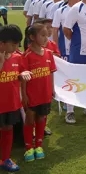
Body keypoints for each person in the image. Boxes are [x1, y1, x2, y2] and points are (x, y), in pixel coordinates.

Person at [20, 23, 56, 163]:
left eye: (46, 35)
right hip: (31, 96)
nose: (46, 38)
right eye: (42, 35)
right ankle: (29, 147)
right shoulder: (26, 56)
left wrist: (52, 89)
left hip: (45, 94)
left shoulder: (48, 53)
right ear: (32, 37)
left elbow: (51, 73)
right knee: (30, 120)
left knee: (41, 118)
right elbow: (23, 79)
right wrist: (24, 95)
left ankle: (39, 146)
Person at [0, 25, 25, 173]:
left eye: (17, 44)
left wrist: (22, 75)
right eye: (13, 44)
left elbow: (20, 74)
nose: (16, 47)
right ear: (2, 43)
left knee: (8, 128)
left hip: (11, 103)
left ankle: (6, 158)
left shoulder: (17, 57)